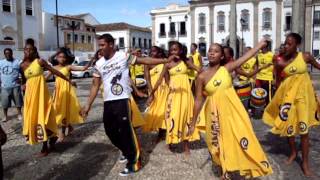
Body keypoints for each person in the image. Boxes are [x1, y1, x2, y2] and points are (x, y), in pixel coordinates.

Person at [80, 33, 175, 176]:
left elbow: (144, 60)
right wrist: (88, 105)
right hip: (108, 102)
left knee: (126, 131)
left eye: (102, 45)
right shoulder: (98, 64)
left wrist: (164, 60)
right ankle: (126, 150)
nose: (100, 48)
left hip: (123, 100)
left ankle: (134, 161)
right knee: (110, 131)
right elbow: (94, 85)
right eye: (99, 45)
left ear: (111, 44)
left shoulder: (123, 56)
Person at [188, 39, 273, 179]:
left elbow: (247, 56)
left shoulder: (227, 68)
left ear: (222, 56)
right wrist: (192, 122)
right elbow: (198, 100)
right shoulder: (201, 76)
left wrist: (259, 45)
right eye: (210, 51)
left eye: (215, 51)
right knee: (216, 141)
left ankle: (241, 164)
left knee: (238, 136)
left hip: (233, 111)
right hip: (213, 112)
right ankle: (224, 169)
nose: (211, 53)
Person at [263, 33, 320, 177]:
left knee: (303, 129)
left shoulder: (305, 57)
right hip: (288, 98)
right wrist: (278, 100)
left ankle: (305, 164)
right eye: (285, 43)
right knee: (289, 127)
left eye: (290, 44)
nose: (286, 46)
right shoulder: (279, 62)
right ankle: (294, 152)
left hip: (303, 98)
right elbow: (277, 82)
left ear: (297, 45)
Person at [20, 39, 74, 156]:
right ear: (24, 51)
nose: (28, 51)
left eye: (31, 49)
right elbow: (24, 81)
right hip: (30, 97)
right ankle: (47, 145)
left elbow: (56, 72)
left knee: (46, 118)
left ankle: (48, 146)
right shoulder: (22, 65)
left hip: (42, 96)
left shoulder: (40, 62)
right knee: (36, 120)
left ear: (34, 51)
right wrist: (23, 86)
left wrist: (68, 80)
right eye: (26, 49)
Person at [149, 41, 202, 154]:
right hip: (173, 95)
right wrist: (152, 93)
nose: (173, 52)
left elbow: (199, 69)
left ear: (180, 51)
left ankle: (186, 145)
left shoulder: (186, 61)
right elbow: (162, 79)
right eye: (171, 50)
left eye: (175, 50)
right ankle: (170, 142)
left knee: (186, 116)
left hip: (186, 95)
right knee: (171, 117)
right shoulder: (167, 64)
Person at [46, 47, 93, 142]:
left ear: (67, 58)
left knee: (64, 111)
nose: (62, 59)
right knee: (56, 111)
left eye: (64, 57)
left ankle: (62, 134)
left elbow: (83, 68)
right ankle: (70, 127)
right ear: (56, 57)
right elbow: (45, 78)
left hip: (67, 92)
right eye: (59, 57)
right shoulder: (53, 68)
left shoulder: (68, 67)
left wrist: (92, 59)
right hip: (58, 92)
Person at [143, 46, 168, 142]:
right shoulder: (147, 62)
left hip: (164, 89)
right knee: (154, 110)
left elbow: (167, 76)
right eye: (151, 51)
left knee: (163, 110)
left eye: (154, 51)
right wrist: (151, 92)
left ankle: (162, 132)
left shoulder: (163, 61)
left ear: (159, 52)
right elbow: (147, 78)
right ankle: (158, 130)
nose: (152, 52)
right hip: (153, 89)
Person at [0, 48, 23, 122]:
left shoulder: (17, 62)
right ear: (4, 54)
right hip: (4, 86)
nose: (8, 54)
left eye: (9, 53)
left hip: (15, 86)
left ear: (12, 53)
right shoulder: (1, 62)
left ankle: (19, 114)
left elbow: (22, 72)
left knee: (18, 101)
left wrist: (20, 78)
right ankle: (5, 116)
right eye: (6, 53)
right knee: (5, 103)